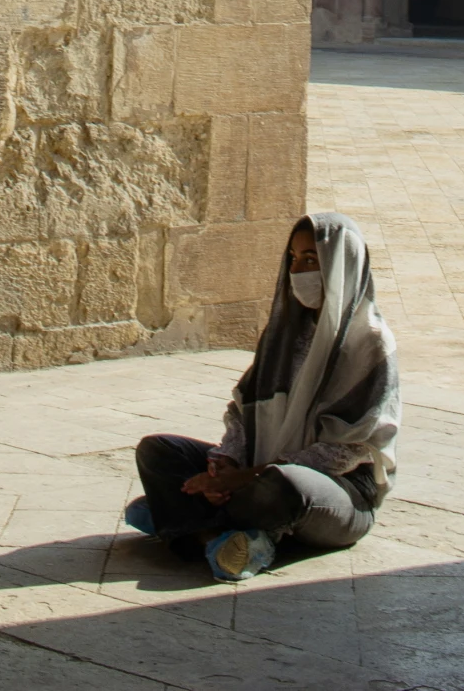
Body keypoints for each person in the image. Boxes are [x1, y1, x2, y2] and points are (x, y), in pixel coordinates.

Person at [126, 212, 399, 582]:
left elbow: (343, 453)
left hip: (338, 492)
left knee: (285, 486)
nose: (299, 271)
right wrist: (224, 462)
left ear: (340, 264)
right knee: (158, 451)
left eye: (310, 260)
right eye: (293, 260)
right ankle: (220, 535)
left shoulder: (369, 343)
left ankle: (190, 523)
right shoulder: (285, 332)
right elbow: (243, 411)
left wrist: (241, 479)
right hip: (255, 467)